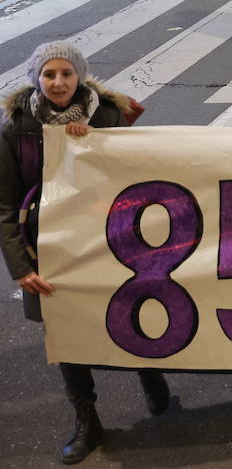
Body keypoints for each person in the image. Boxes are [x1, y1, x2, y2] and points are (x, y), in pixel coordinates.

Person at [0, 42, 170, 464]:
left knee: (129, 316)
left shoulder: (109, 116)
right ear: (36, 79)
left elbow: (135, 180)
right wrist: (21, 268)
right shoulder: (15, 126)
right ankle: (87, 418)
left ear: (80, 76)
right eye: (49, 75)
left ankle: (149, 375)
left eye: (66, 74)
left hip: (108, 241)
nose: (58, 83)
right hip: (48, 248)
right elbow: (5, 203)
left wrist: (92, 146)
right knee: (67, 333)